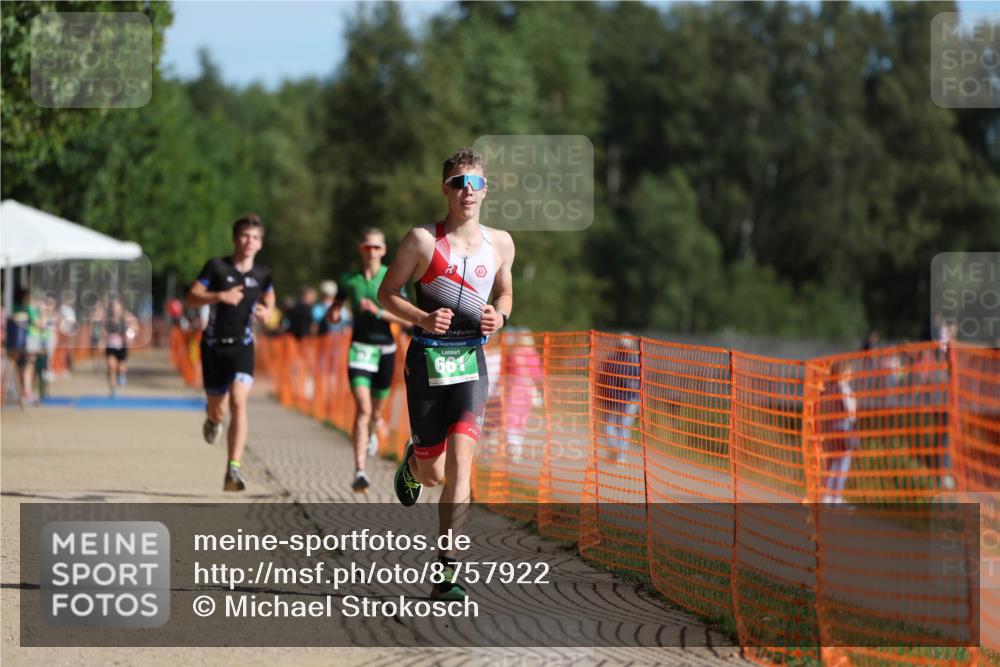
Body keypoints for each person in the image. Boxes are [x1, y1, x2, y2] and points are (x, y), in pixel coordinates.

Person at [378, 147, 515, 601]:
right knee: (434, 472)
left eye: (475, 183)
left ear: (485, 190)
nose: (467, 192)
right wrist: (420, 317)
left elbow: (507, 293)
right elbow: (387, 293)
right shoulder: (422, 241)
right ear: (445, 189)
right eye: (459, 183)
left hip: (471, 362)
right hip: (427, 361)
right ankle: (414, 463)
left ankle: (447, 570)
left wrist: (500, 315)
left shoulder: (502, 243)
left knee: (461, 466)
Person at [186, 214, 274, 492]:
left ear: (261, 243)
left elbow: (269, 295)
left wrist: (267, 310)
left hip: (243, 346)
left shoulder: (263, 273)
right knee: (218, 407)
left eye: (256, 238)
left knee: (239, 400)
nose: (250, 242)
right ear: (236, 239)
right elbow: (191, 296)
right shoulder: (216, 267)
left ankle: (232, 469)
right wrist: (218, 296)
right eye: (245, 236)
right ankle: (213, 419)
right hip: (213, 346)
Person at [328, 228, 409, 492]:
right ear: (360, 250)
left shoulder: (392, 277)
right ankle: (360, 470)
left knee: (375, 411)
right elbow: (335, 308)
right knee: (363, 408)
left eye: (376, 247)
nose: (371, 252)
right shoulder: (348, 279)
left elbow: (407, 318)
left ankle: (374, 428)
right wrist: (334, 315)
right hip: (359, 350)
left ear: (384, 251)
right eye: (367, 247)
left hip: (385, 350)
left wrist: (378, 312)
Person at [595, 337, 641, 463]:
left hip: (627, 400)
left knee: (621, 427)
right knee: (615, 427)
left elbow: (639, 383)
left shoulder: (633, 363)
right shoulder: (613, 361)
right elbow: (603, 380)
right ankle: (616, 452)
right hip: (616, 399)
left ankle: (619, 455)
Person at [820, 362, 861, 505]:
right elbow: (849, 412)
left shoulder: (827, 388)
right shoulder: (843, 389)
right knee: (841, 465)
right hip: (842, 430)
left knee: (832, 464)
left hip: (831, 429)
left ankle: (828, 495)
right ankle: (834, 496)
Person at [103, 298, 138, 397]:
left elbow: (135, 327)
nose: (115, 310)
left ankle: (121, 375)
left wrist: (130, 332)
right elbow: (103, 331)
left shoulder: (127, 317)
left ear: (121, 308)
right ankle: (112, 389)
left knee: (121, 368)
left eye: (117, 307)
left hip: (122, 347)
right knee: (111, 366)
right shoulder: (108, 318)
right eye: (114, 307)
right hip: (111, 346)